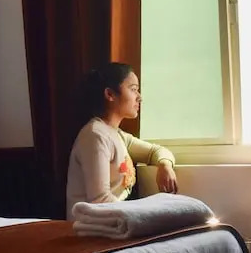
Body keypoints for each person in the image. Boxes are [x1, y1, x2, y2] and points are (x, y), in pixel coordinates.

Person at [66, 63, 178, 220]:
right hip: (90, 226)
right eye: (133, 89)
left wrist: (164, 165)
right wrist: (144, 212)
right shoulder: (94, 135)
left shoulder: (118, 135)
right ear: (110, 94)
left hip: (113, 220)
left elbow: (156, 151)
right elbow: (100, 201)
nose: (139, 97)